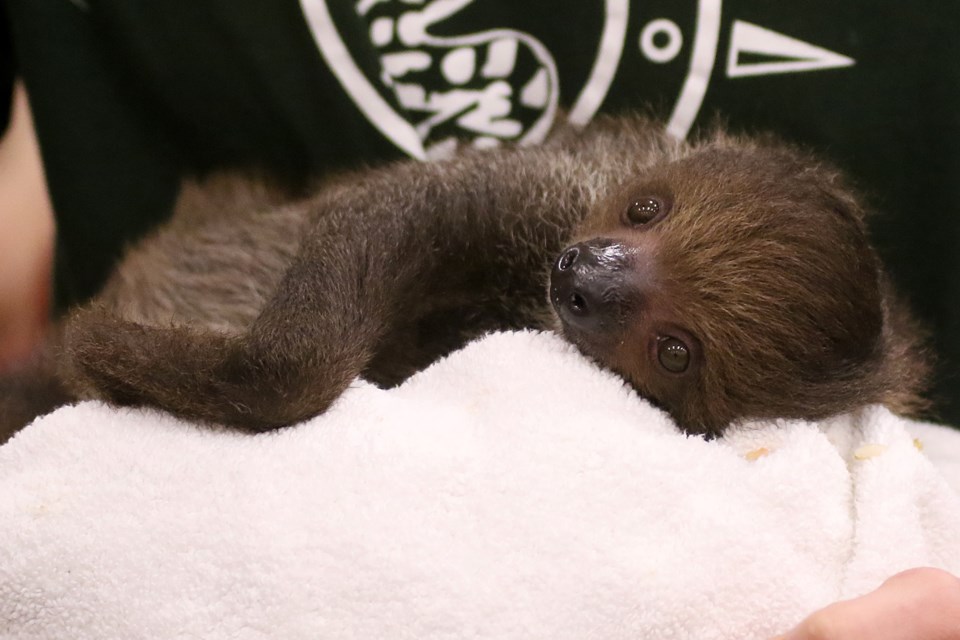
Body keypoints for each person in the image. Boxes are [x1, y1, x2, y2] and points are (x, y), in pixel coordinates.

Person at [3, 1, 960, 636]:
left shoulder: (803, 422)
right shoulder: (591, 188)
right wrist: (279, 368)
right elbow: (420, 213)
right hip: (208, 323)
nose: (594, 276)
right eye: (643, 218)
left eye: (672, 347)